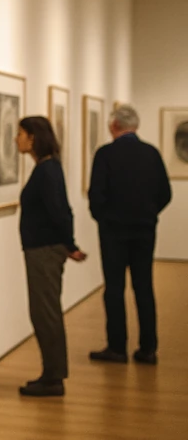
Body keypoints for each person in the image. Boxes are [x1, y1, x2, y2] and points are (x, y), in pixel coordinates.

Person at [88, 104, 171, 365]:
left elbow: (96, 196)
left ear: (114, 126)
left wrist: (106, 218)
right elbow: (165, 193)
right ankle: (148, 349)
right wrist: (148, 215)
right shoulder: (151, 154)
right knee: (144, 287)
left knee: (114, 288)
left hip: (113, 232)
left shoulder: (105, 154)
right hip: (145, 231)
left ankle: (117, 348)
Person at [15, 116, 87, 397]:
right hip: (42, 249)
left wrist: (69, 244)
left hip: (44, 251)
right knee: (45, 312)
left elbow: (60, 211)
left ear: (33, 137)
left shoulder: (47, 170)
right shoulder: (48, 168)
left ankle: (53, 377)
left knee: (45, 314)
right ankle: (52, 374)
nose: (16, 138)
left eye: (20, 133)